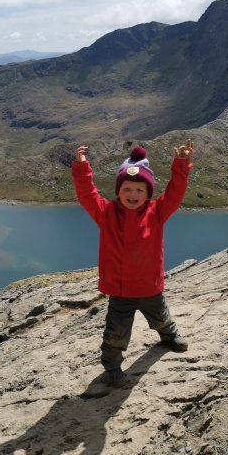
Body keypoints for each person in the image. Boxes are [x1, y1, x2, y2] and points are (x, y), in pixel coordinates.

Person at [71, 140, 194, 387]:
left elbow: (175, 193)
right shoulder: (106, 213)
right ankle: (112, 367)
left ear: (148, 194)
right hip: (121, 291)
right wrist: (82, 167)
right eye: (127, 188)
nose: (133, 195)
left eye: (139, 190)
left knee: (161, 317)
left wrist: (181, 164)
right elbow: (87, 195)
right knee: (116, 333)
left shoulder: (157, 212)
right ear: (119, 191)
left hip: (150, 287)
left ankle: (169, 335)